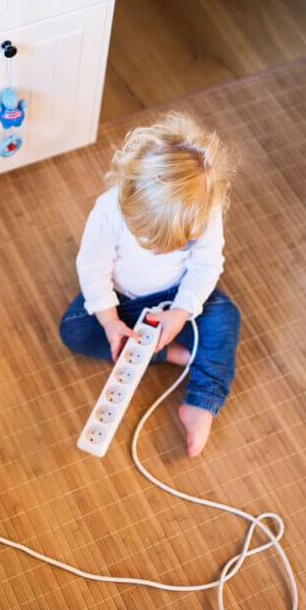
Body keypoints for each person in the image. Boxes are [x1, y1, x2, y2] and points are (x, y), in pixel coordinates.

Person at [58, 112, 240, 457]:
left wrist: (182, 311)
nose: (161, 251)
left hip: (176, 294)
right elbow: (93, 267)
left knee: (225, 317)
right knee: (74, 330)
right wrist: (110, 321)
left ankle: (201, 402)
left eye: (178, 242)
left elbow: (206, 264)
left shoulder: (204, 209)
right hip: (123, 298)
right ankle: (169, 354)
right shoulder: (110, 210)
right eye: (149, 240)